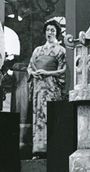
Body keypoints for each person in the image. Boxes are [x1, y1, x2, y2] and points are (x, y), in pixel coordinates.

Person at [27, 19, 66, 159]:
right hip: (39, 86)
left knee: (49, 114)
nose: (50, 32)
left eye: (53, 30)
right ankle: (38, 150)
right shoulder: (38, 50)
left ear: (57, 33)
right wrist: (32, 73)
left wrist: (48, 73)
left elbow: (63, 70)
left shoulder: (61, 50)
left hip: (51, 86)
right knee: (38, 115)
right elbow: (30, 66)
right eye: (48, 30)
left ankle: (51, 149)